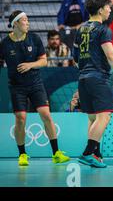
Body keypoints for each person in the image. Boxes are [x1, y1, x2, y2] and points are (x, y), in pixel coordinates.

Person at [0, 11, 70, 166]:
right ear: (15, 24)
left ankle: (56, 153)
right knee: (20, 119)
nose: (28, 23)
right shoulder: (5, 44)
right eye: (24, 20)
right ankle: (22, 155)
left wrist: (30, 65)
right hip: (17, 86)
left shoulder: (34, 38)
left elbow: (44, 61)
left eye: (28, 20)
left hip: (35, 84)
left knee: (46, 114)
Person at [73, 0, 113, 168]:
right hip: (98, 78)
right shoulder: (103, 29)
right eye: (108, 7)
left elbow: (75, 58)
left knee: (93, 118)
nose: (110, 10)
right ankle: (88, 153)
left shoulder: (80, 29)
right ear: (100, 10)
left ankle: (96, 154)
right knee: (104, 117)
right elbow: (110, 54)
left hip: (83, 78)